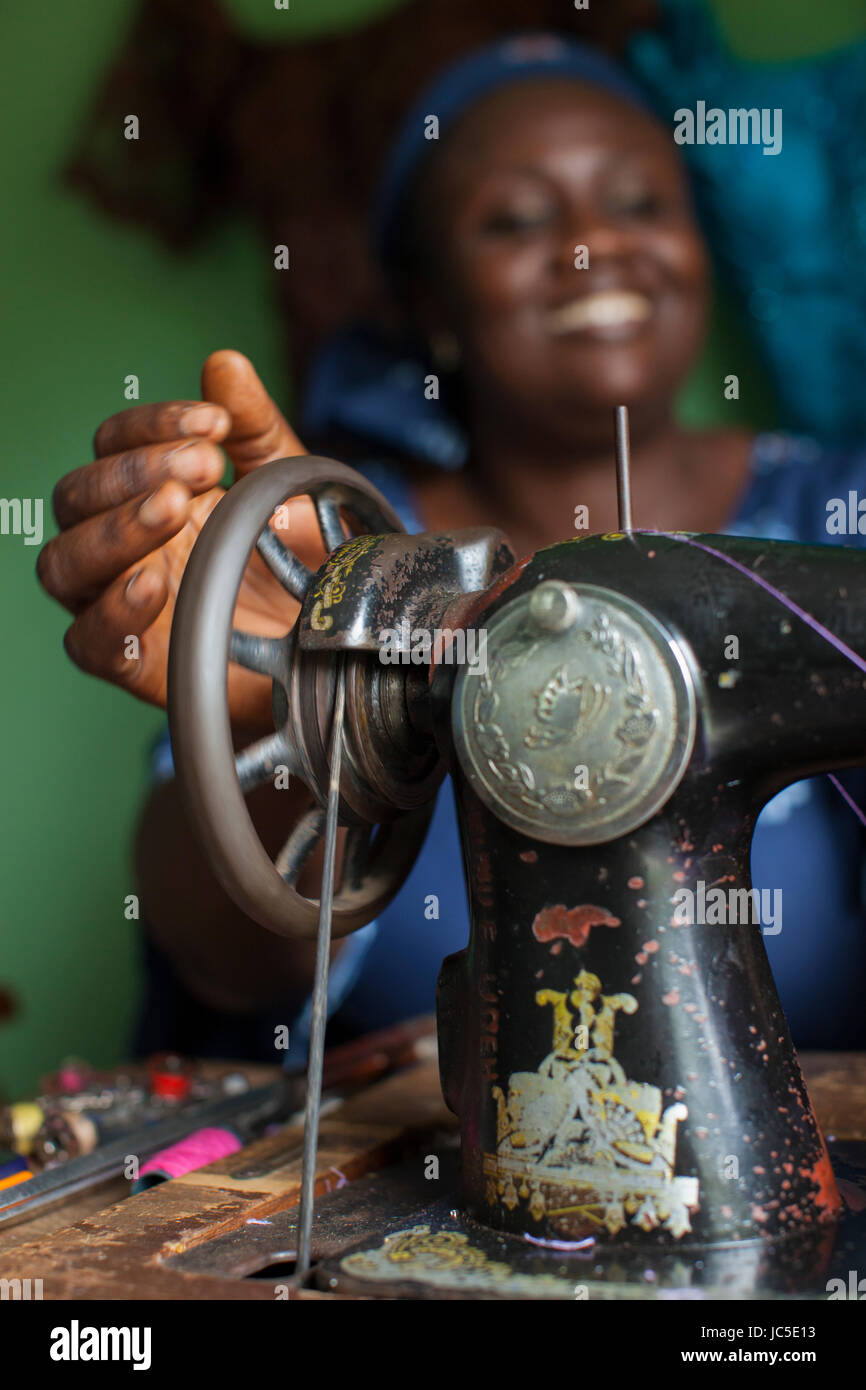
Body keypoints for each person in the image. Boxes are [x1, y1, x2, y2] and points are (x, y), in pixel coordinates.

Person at [37, 35, 866, 1063]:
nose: (588, 246)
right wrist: (295, 707)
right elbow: (221, 964)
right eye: (516, 219)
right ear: (428, 304)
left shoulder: (842, 509)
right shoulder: (337, 554)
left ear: (700, 249)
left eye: (641, 204)